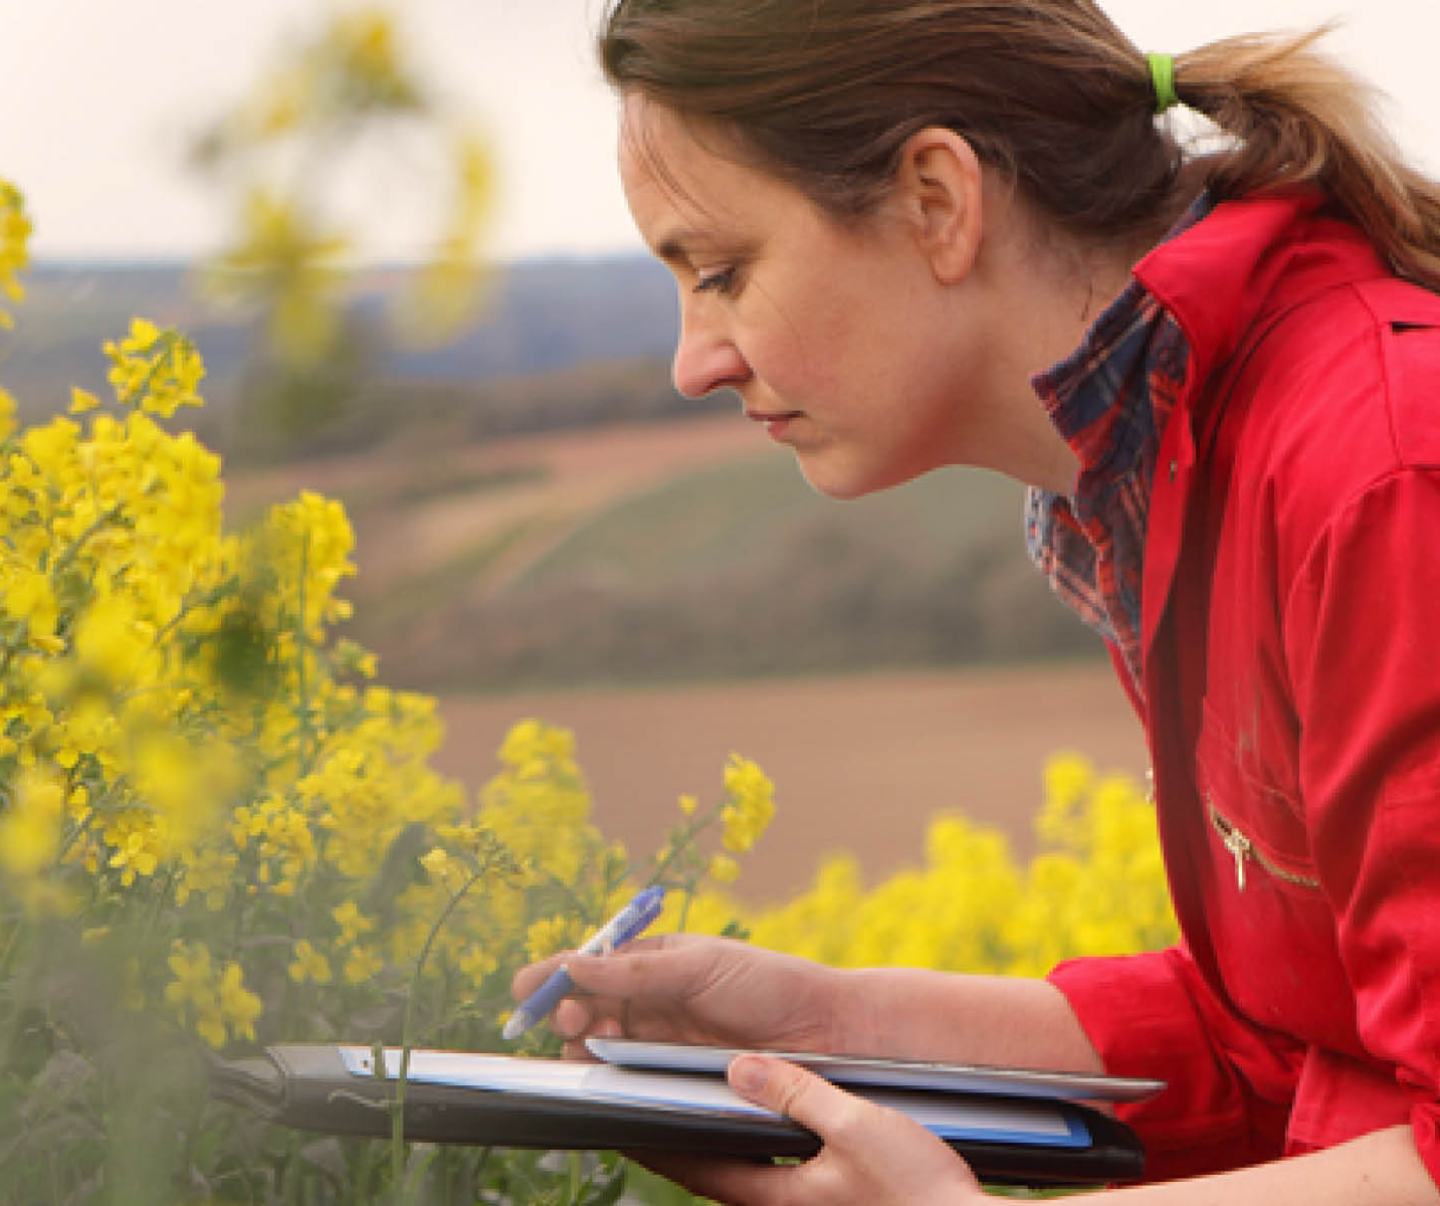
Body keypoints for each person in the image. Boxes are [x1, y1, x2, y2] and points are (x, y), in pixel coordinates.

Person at [512, 2, 1440, 1201]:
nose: (696, 362)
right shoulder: (1171, 468)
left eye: (725, 273)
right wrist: (839, 1027)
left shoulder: (1383, 472)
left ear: (937, 202)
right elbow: (1297, 1043)